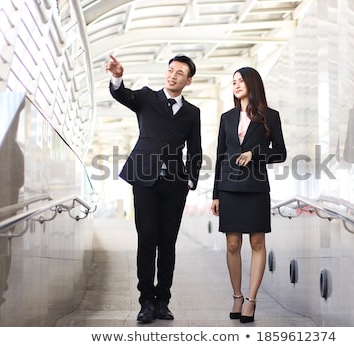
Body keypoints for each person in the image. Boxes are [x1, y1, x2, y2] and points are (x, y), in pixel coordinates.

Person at [106, 54, 202, 323]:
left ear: (188, 80)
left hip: (174, 184)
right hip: (145, 180)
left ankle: (163, 301)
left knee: (167, 243)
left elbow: (195, 149)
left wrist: (190, 180)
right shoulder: (147, 98)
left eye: (179, 73)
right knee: (147, 240)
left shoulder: (192, 113)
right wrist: (117, 76)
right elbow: (121, 94)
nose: (172, 75)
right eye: (170, 70)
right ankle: (146, 301)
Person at [210, 67, 286, 323]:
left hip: (255, 187)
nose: (236, 85)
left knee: (256, 243)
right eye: (233, 82)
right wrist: (216, 194)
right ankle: (236, 296)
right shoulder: (227, 118)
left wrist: (256, 154)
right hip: (229, 188)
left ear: (253, 84)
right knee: (232, 244)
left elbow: (281, 153)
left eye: (241, 80)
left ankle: (251, 300)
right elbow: (220, 156)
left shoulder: (270, 116)